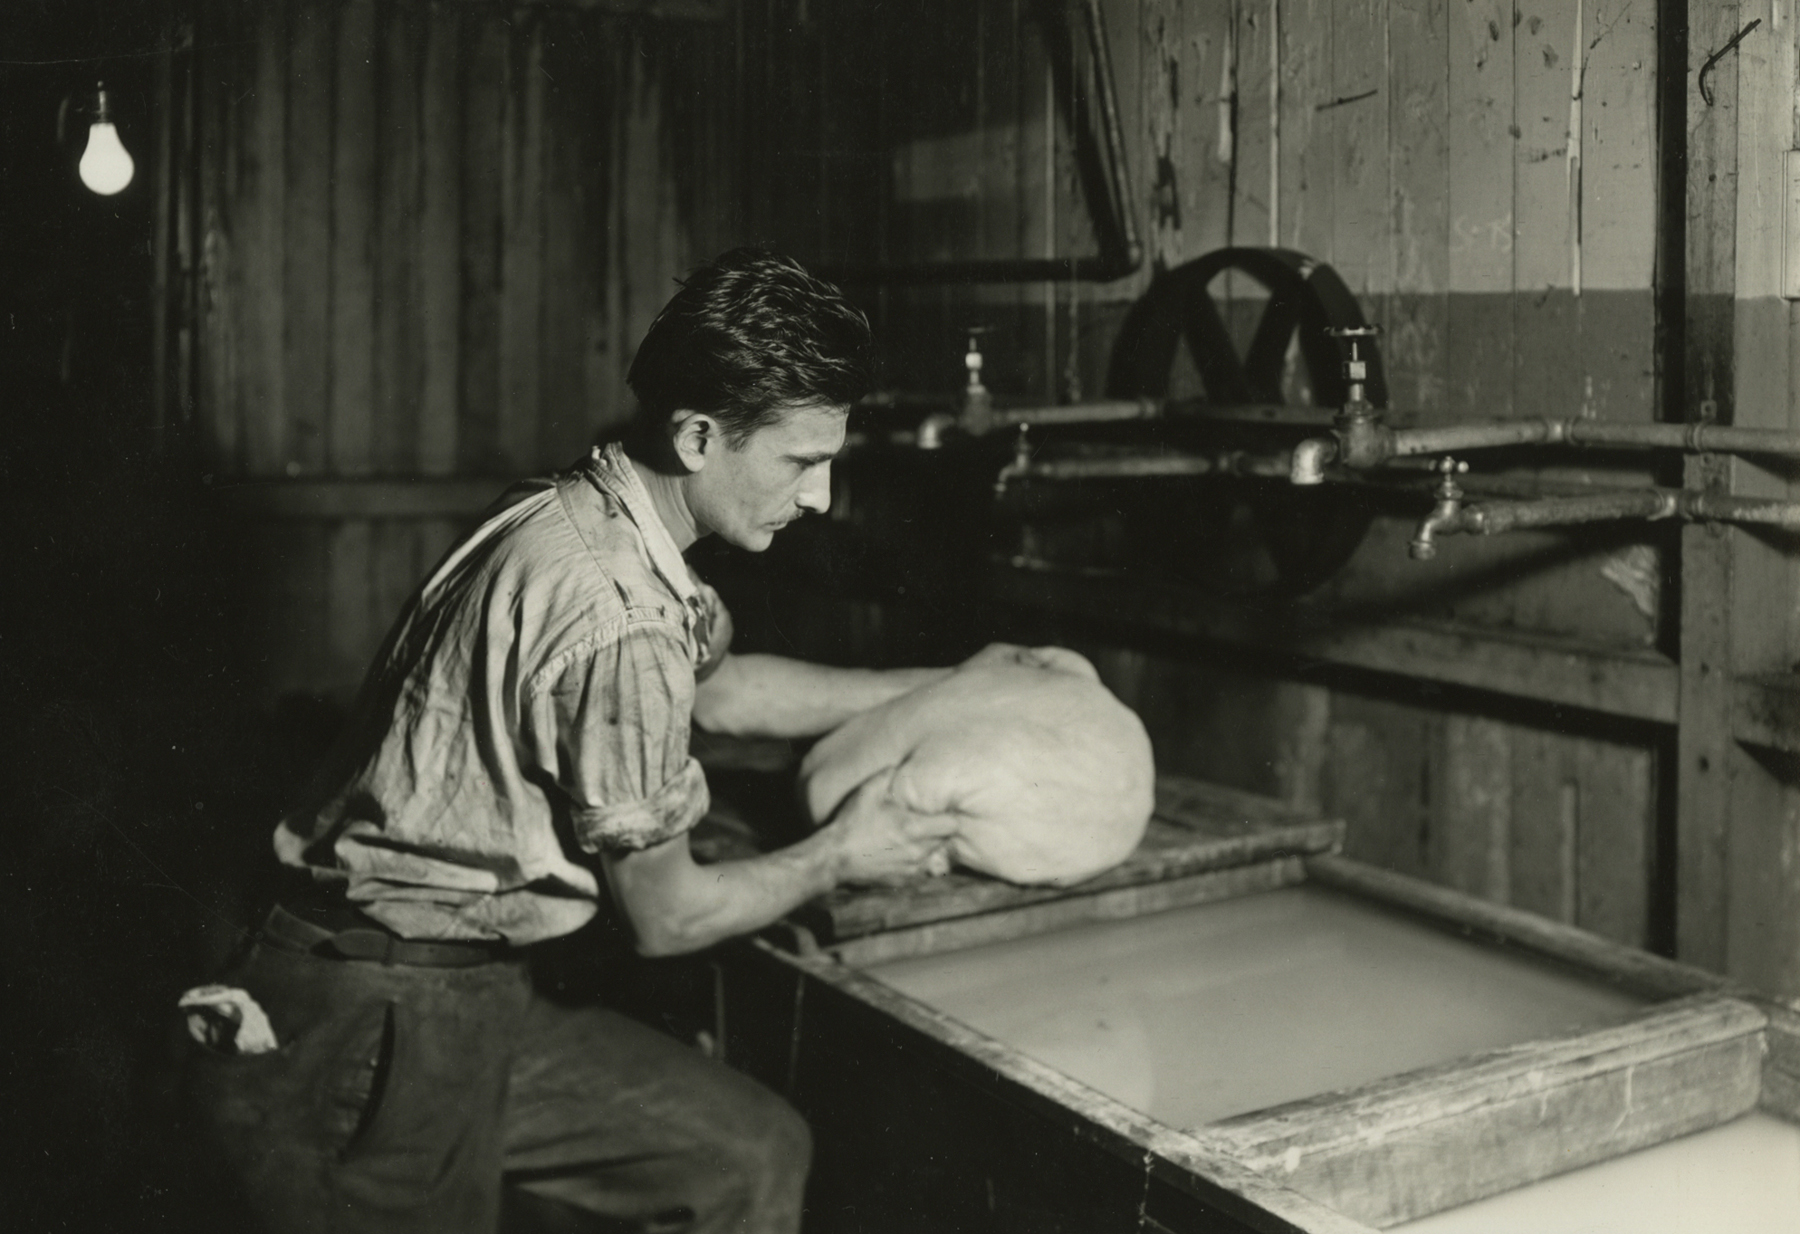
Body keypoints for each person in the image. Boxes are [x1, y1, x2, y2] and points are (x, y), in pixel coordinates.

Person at [184, 248, 1031, 1233]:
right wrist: (845, 849)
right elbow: (667, 918)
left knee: (745, 1155)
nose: (821, 497)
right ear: (700, 435)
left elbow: (723, 689)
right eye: (802, 461)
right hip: (381, 1019)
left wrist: (954, 683)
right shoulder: (619, 614)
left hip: (453, 985)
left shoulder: (575, 507)